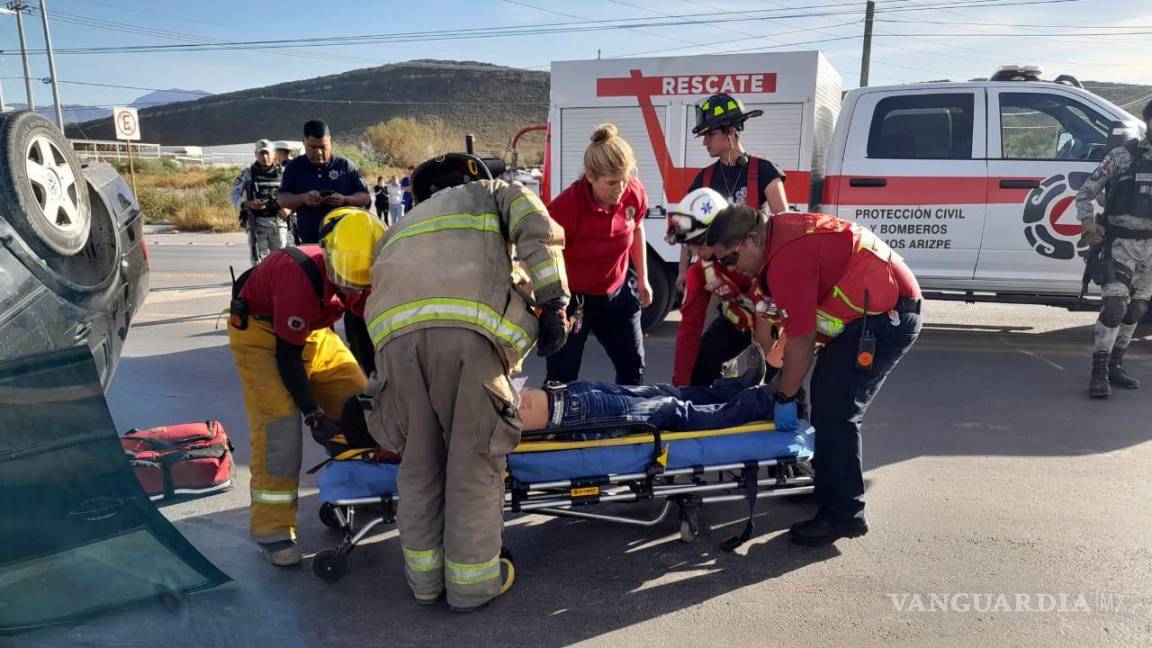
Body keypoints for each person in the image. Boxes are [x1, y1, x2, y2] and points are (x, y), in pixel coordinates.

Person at [363, 152, 570, 611]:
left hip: (394, 351)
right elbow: (537, 228)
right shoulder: (492, 193)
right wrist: (555, 302)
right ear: (472, 177)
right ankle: (472, 586)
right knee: (473, 464)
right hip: (468, 342)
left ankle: (424, 583)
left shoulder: (398, 228)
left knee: (418, 467)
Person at [705, 205, 922, 546]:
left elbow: (802, 342)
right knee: (825, 396)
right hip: (868, 317)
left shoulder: (787, 257)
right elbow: (785, 333)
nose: (731, 269)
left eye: (730, 260)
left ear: (750, 239)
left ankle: (844, 515)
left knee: (836, 411)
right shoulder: (779, 235)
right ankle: (828, 487)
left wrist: (785, 398)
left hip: (885, 318)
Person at [228, 207, 385, 567]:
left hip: (314, 334)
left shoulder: (362, 269)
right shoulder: (298, 276)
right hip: (261, 336)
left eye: (358, 285)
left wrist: (381, 382)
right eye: (345, 282)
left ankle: (354, 489)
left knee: (361, 407)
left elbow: (366, 335)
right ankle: (273, 530)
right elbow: (287, 358)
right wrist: (313, 415)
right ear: (330, 256)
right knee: (280, 426)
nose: (350, 290)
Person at [544, 124, 650, 385]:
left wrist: (644, 278)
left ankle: (627, 423)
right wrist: (550, 303)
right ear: (590, 176)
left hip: (617, 293)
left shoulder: (633, 192)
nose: (621, 189)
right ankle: (559, 423)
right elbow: (542, 251)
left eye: (625, 179)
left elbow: (636, 228)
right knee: (561, 377)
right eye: (612, 183)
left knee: (633, 366)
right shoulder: (568, 206)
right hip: (574, 300)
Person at [1076, 99, 1152, 399]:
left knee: (1136, 309)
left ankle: (1116, 365)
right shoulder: (1121, 156)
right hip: (1119, 244)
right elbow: (1084, 193)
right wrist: (1088, 224)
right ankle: (1099, 370)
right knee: (1115, 307)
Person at [677, 93, 789, 296]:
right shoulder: (703, 178)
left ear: (730, 132)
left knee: (763, 326)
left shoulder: (765, 171)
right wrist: (682, 271)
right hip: (718, 281)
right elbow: (689, 228)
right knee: (711, 327)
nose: (705, 142)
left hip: (757, 279)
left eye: (709, 135)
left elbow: (784, 224)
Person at [519, 345, 773, 433]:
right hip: (574, 414)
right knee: (670, 410)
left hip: (570, 395)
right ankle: (755, 403)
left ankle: (729, 391)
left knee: (663, 393)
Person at [666, 187, 762, 387]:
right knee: (701, 368)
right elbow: (689, 330)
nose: (693, 252)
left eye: (697, 244)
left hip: (779, 329)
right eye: (688, 245)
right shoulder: (701, 271)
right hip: (736, 324)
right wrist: (681, 389)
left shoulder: (762, 257)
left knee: (782, 388)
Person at [278, 120, 372, 244]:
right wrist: (304, 198)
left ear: (330, 142)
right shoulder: (294, 167)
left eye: (323, 147)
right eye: (313, 147)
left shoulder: (345, 166)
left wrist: (345, 199)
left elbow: (365, 198)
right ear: (304, 142)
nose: (319, 152)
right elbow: (282, 199)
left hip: (343, 242)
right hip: (309, 243)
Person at [230, 139, 291, 266]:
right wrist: (248, 203)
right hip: (256, 225)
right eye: (261, 153)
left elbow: (296, 194)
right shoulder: (247, 174)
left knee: (281, 262)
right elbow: (233, 195)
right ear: (256, 155)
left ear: (274, 154)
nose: (265, 157)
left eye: (267, 153)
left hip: (279, 225)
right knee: (259, 264)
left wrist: (288, 209)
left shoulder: (285, 173)